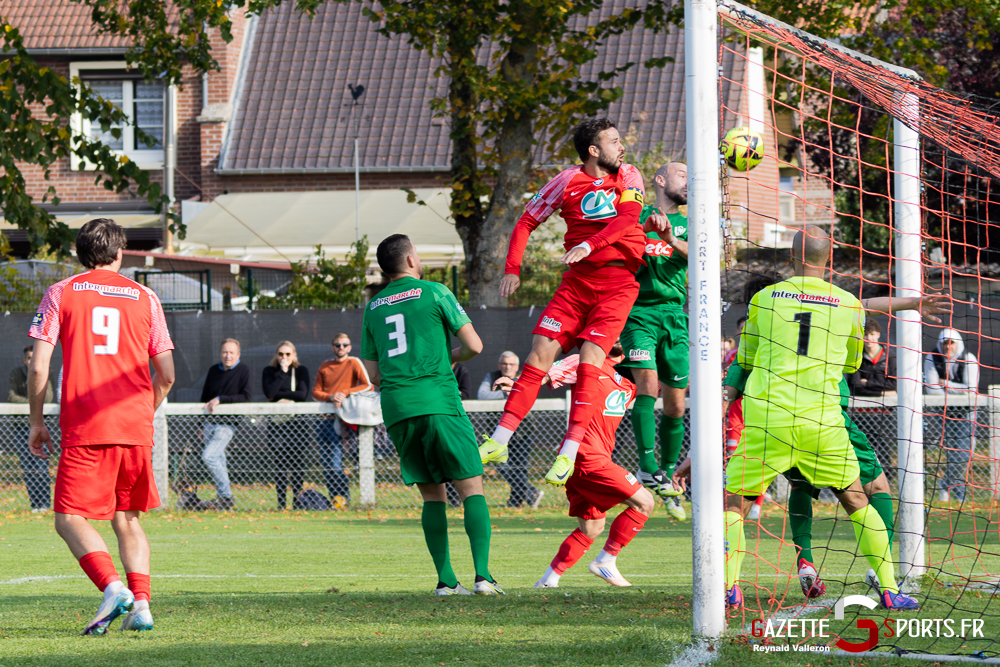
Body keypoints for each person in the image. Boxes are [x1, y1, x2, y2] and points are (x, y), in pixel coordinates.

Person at [721, 225, 918, 611]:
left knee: (735, 503)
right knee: (856, 497)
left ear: (792, 258)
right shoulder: (848, 304)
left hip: (768, 415)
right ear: (829, 258)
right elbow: (850, 362)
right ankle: (891, 589)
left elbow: (746, 357)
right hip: (822, 420)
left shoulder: (764, 299)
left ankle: (728, 587)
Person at [480, 117, 666, 485]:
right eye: (614, 141)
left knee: (589, 362)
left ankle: (567, 452)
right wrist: (513, 268)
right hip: (576, 284)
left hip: (617, 285)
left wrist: (590, 244)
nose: (621, 146)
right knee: (538, 355)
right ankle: (499, 439)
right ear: (594, 150)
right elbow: (525, 221)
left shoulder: (628, 175)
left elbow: (629, 218)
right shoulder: (566, 181)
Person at [27, 218, 175, 633]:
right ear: (120, 252)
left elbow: (39, 366)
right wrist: (144, 411)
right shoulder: (147, 297)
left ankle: (113, 587)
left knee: (68, 518)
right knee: (127, 519)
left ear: (79, 253)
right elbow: (166, 374)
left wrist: (37, 421)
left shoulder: (61, 292)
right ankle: (142, 605)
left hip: (86, 424)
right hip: (134, 426)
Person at [361, 234, 502, 595]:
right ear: (410, 260)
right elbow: (474, 346)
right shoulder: (435, 292)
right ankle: (483, 577)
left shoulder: (373, 307)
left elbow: (374, 375)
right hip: (437, 400)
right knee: (471, 486)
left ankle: (445, 582)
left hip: (398, 408)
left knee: (432, 496)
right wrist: (445, 357)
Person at [531, 340, 656, 588]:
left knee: (592, 527)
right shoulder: (588, 361)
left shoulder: (634, 378)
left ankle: (547, 581)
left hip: (591, 459)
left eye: (623, 330)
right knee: (645, 503)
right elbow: (545, 374)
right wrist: (517, 385)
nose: (619, 335)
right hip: (585, 456)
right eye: (614, 329)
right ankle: (606, 561)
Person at [615, 161, 689, 521]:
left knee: (676, 406)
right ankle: (646, 466)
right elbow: (616, 249)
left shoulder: (692, 223)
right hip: (638, 314)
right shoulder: (637, 215)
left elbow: (705, 259)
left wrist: (671, 239)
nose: (688, 182)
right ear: (661, 180)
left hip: (675, 317)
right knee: (647, 385)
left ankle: (669, 476)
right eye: (683, 175)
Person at [312, 334, 372, 505]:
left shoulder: (354, 362)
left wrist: (344, 393)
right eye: (337, 345)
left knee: (336, 463)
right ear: (332, 347)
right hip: (323, 420)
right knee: (326, 464)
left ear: (349, 347)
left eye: (344, 345)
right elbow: (315, 393)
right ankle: (335, 500)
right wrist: (331, 397)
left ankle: (344, 499)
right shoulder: (325, 366)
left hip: (344, 420)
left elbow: (367, 385)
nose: (341, 348)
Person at [482, 352, 543, 508]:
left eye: (511, 364)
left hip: (523, 430)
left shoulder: (525, 377)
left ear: (517, 366)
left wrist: (514, 390)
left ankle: (515, 501)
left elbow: (528, 395)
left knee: (519, 466)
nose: (507, 367)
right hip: (498, 430)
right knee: (500, 463)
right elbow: (482, 395)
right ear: (499, 365)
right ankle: (531, 492)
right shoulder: (491, 376)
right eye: (504, 364)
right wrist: (507, 392)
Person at [925, 328, 980, 502]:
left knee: (965, 453)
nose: (948, 346)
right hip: (945, 412)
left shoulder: (969, 358)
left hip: (967, 412)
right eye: (945, 343)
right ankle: (958, 494)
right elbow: (931, 389)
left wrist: (946, 384)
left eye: (951, 343)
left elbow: (971, 389)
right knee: (952, 453)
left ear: (958, 343)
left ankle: (946, 483)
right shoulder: (932, 357)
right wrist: (955, 391)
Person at [198, 338, 252, 510]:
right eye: (224, 352)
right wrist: (200, 425)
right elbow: (205, 397)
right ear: (220, 354)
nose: (228, 356)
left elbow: (246, 397)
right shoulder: (214, 370)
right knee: (219, 459)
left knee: (210, 456)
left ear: (238, 355)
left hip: (227, 425)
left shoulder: (244, 370)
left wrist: (221, 399)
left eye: (231, 353)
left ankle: (226, 495)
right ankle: (224, 499)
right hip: (209, 424)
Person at [263, 341, 311, 509]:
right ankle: (281, 504)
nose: (284, 358)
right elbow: (269, 393)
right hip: (277, 426)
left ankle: (298, 502)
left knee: (297, 465)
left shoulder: (301, 371)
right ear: (276, 355)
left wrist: (281, 396)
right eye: (281, 354)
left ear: (294, 355)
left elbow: (302, 394)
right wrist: (282, 373)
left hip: (296, 425)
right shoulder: (270, 372)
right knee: (280, 466)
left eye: (288, 354)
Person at [9, 344, 53, 511]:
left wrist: (39, 378)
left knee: (41, 468)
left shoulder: (47, 371)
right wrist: (35, 400)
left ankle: (46, 504)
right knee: (27, 468)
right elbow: (12, 397)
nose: (31, 362)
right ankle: (34, 504)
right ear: (24, 359)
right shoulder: (16, 373)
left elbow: (48, 397)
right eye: (29, 358)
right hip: (21, 427)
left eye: (33, 358)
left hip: (42, 427)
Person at [849, 319, 897, 396]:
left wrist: (867, 383)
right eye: (865, 334)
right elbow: (856, 388)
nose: (869, 338)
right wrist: (882, 393)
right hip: (863, 406)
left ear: (878, 334)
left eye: (872, 334)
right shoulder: (857, 358)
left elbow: (894, 385)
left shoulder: (891, 357)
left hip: (891, 405)